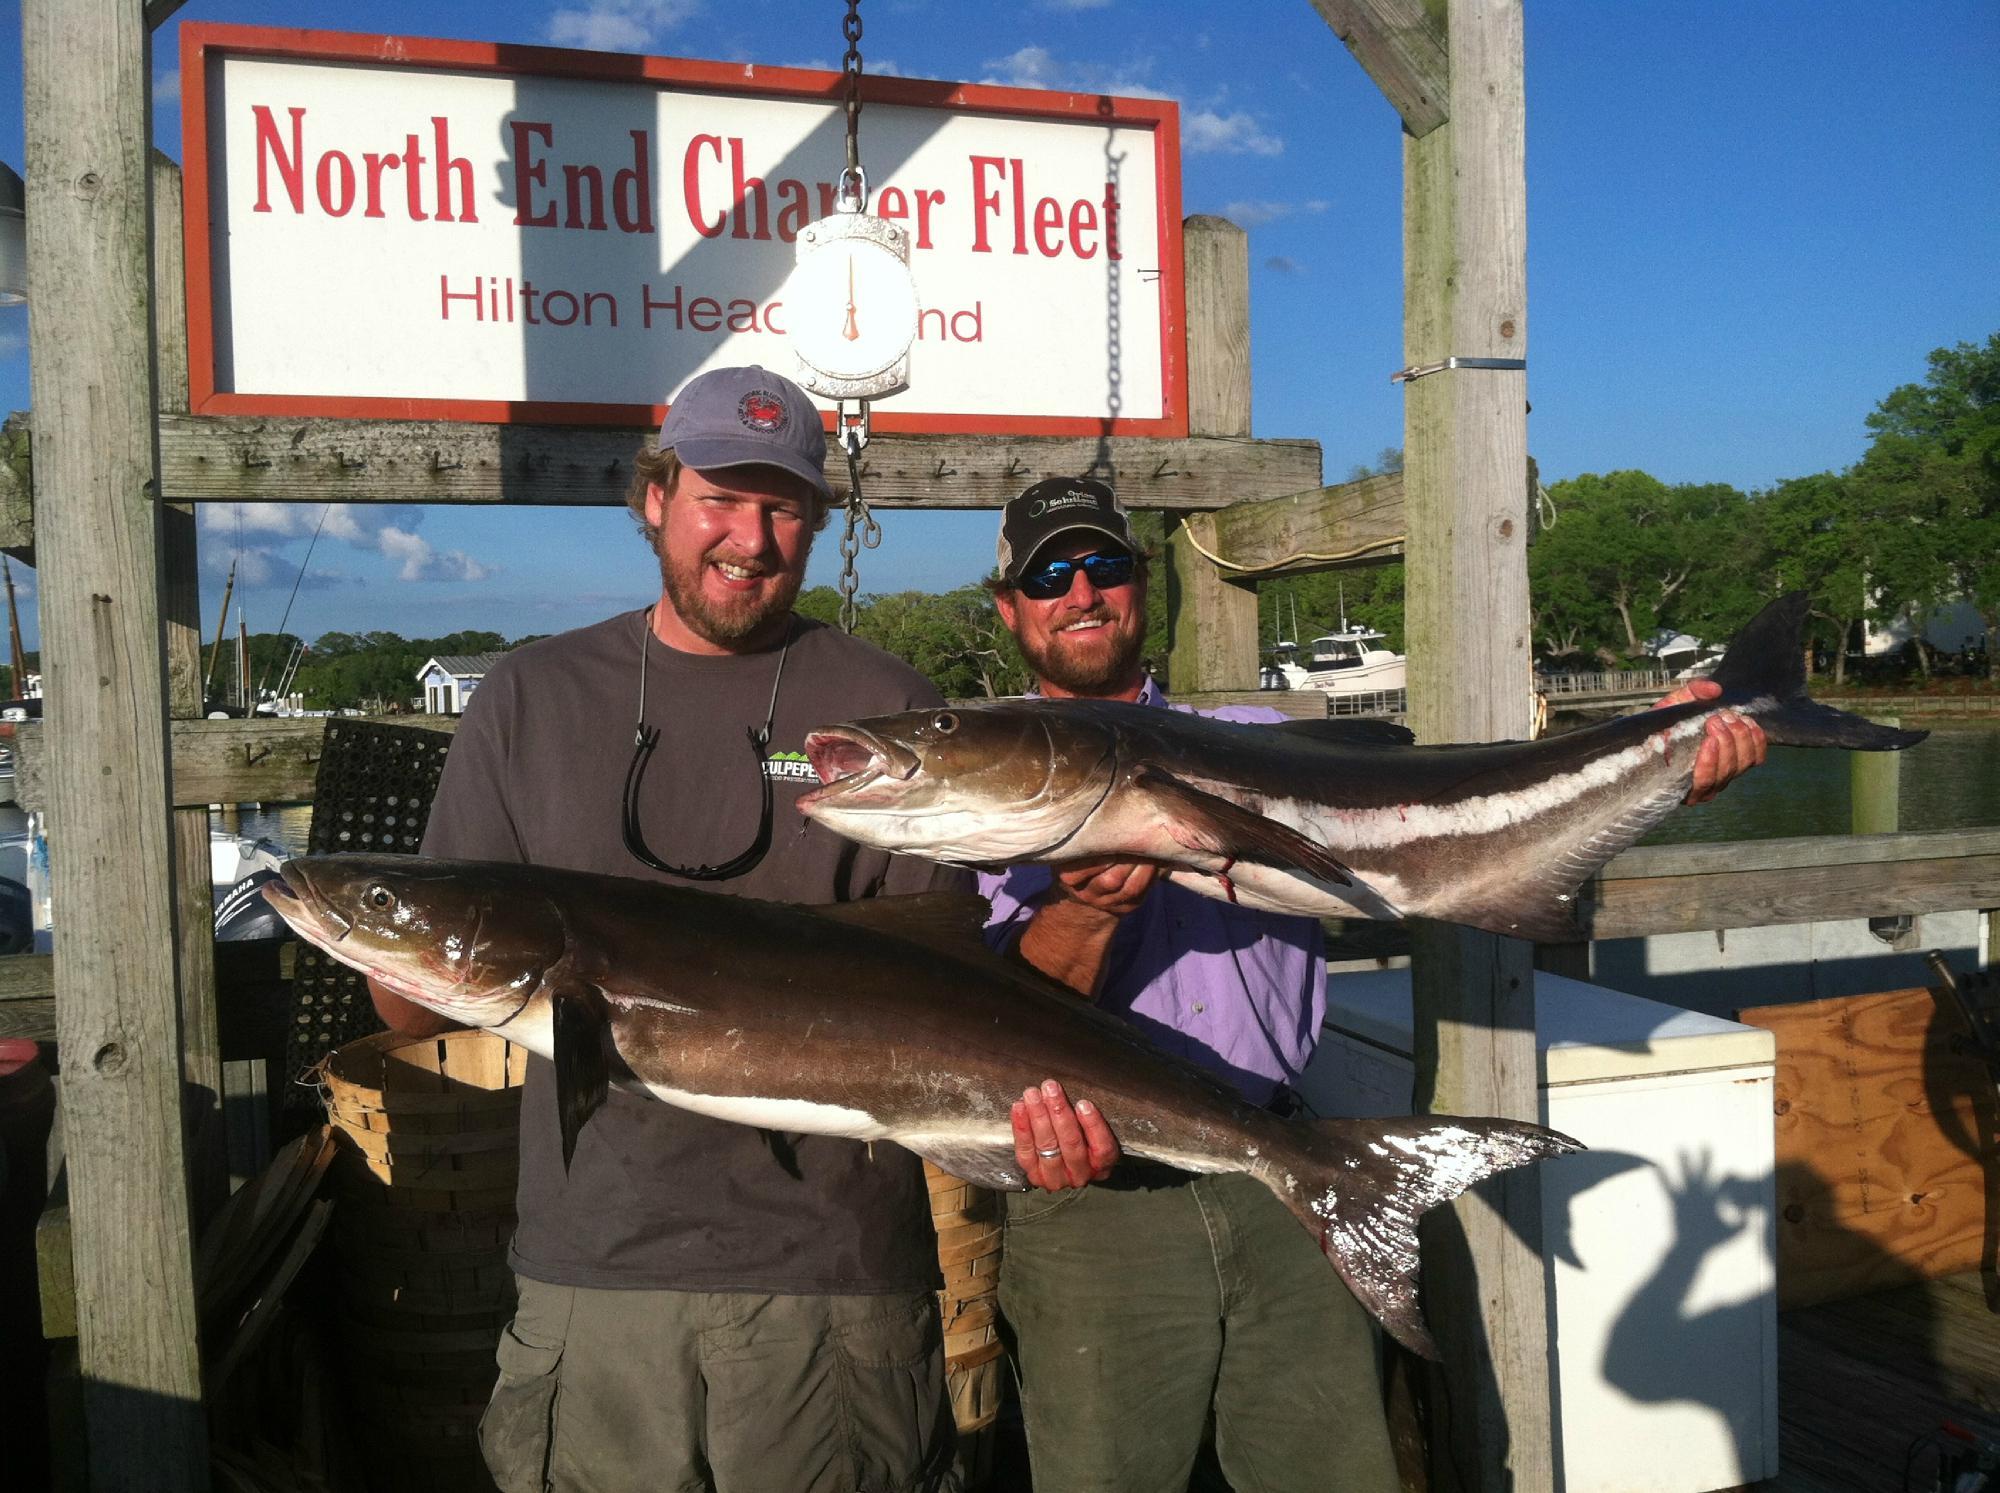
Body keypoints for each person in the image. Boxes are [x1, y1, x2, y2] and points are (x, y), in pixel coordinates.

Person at [979, 476, 1767, 1492]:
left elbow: (1453, 815)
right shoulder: (976, 793)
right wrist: (1082, 909)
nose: (1080, 591)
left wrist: (1659, 751)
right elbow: (992, 1017)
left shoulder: (1252, 732)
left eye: (1104, 565)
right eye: (1049, 573)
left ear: (1140, 588)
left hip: (1288, 1164)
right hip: (1095, 1201)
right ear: (1008, 605)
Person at [367, 366, 1000, 1493]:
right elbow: (409, 1003)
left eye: (783, 505)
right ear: (653, 497)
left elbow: (949, 965)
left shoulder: (880, 717)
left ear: (816, 520)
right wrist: (384, 945)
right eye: (720, 497)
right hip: (594, 1267)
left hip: (833, 1269)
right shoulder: (526, 699)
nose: (749, 538)